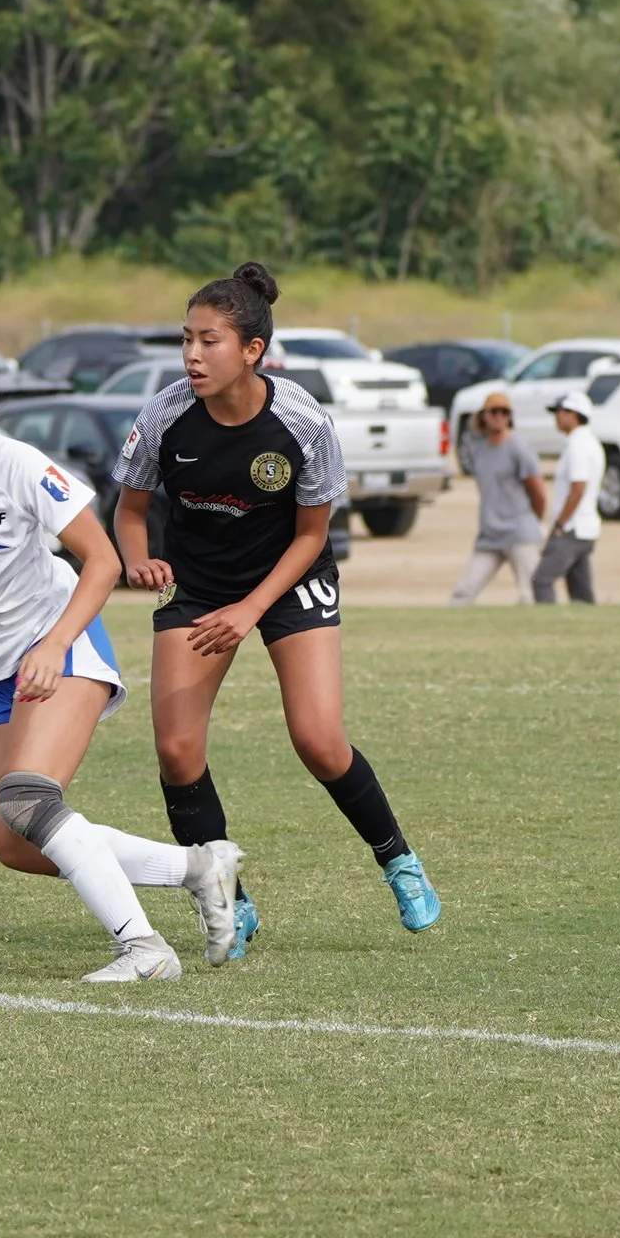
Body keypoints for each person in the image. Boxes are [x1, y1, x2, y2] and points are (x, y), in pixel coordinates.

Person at [0, 335, 245, 981]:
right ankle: (198, 867)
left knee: (29, 800)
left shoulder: (13, 464)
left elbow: (104, 560)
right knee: (15, 843)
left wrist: (55, 642)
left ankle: (144, 949)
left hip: (65, 644)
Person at [112, 261, 442, 949]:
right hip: (201, 588)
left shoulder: (301, 421)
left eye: (210, 341)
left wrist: (252, 609)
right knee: (176, 752)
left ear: (252, 350)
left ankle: (399, 861)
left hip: (289, 578)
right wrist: (138, 557)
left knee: (319, 738)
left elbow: (312, 533)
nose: (193, 355)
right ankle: (231, 902)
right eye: (186, 339)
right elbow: (131, 509)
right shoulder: (165, 414)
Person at [449, 390, 548, 605]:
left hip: (520, 533)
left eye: (504, 412)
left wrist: (534, 521)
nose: (499, 417)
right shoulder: (479, 448)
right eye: (494, 412)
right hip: (490, 534)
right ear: (484, 415)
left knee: (529, 593)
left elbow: (538, 491)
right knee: (463, 592)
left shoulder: (519, 449)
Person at [530, 392, 605, 605]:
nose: (556, 417)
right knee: (581, 593)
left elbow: (578, 487)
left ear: (573, 414)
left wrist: (561, 523)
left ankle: (548, 627)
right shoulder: (590, 442)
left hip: (572, 528)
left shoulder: (578, 446)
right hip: (586, 528)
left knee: (541, 580)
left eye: (560, 412)